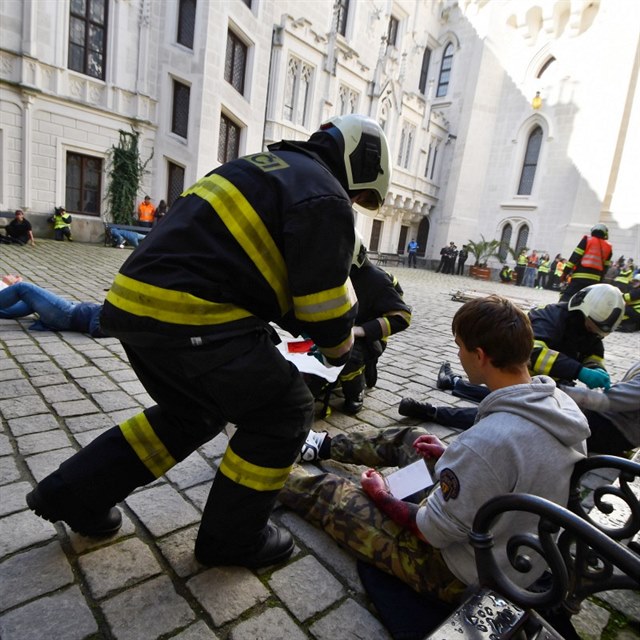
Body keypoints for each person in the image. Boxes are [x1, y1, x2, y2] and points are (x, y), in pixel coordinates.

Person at [25, 114, 392, 570]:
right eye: (359, 196)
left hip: (135, 306)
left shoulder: (256, 167)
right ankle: (232, 540)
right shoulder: (323, 194)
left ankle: (72, 495)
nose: (354, 203)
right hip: (197, 315)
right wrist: (341, 349)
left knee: (192, 414)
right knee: (285, 411)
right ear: (362, 165)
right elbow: (323, 304)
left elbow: (248, 263)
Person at [284, 294, 588, 602]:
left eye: (459, 347)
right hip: (505, 538)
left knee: (332, 492)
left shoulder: (490, 442)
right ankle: (321, 445)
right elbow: (508, 470)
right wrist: (450, 456)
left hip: (460, 571)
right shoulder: (557, 405)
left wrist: (380, 494)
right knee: (411, 437)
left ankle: (274, 474)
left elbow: (431, 531)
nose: (458, 355)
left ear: (480, 355)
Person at [400, 283, 626, 410]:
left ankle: (454, 383)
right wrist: (579, 371)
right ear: (581, 311)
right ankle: (431, 411)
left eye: (597, 331)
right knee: (492, 409)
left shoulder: (589, 328)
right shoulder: (552, 318)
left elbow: (593, 351)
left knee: (496, 401)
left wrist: (597, 369)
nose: (592, 332)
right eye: (591, 327)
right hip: (523, 374)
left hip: (540, 383)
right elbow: (532, 353)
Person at [395, 362, 639, 458]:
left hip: (609, 426)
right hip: (595, 413)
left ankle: (434, 411)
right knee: (514, 390)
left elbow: (608, 400)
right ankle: (456, 384)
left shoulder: (586, 329)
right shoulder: (557, 319)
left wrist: (560, 389)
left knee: (509, 409)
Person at [336, 234, 412, 414]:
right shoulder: (337, 273)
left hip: (369, 337)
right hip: (341, 328)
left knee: (349, 354)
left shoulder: (376, 279)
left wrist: (360, 331)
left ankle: (355, 393)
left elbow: (402, 316)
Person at [0, 274, 104, 337]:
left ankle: (9, 288)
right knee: (31, 299)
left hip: (67, 314)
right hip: (70, 310)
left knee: (22, 287)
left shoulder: (115, 315)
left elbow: (96, 329)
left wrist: (106, 308)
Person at [560, 223, 612, 302]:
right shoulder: (608, 247)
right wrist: (600, 281)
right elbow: (605, 268)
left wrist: (565, 272)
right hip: (595, 281)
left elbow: (575, 257)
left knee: (567, 299)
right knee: (585, 302)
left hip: (579, 277)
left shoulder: (587, 240)